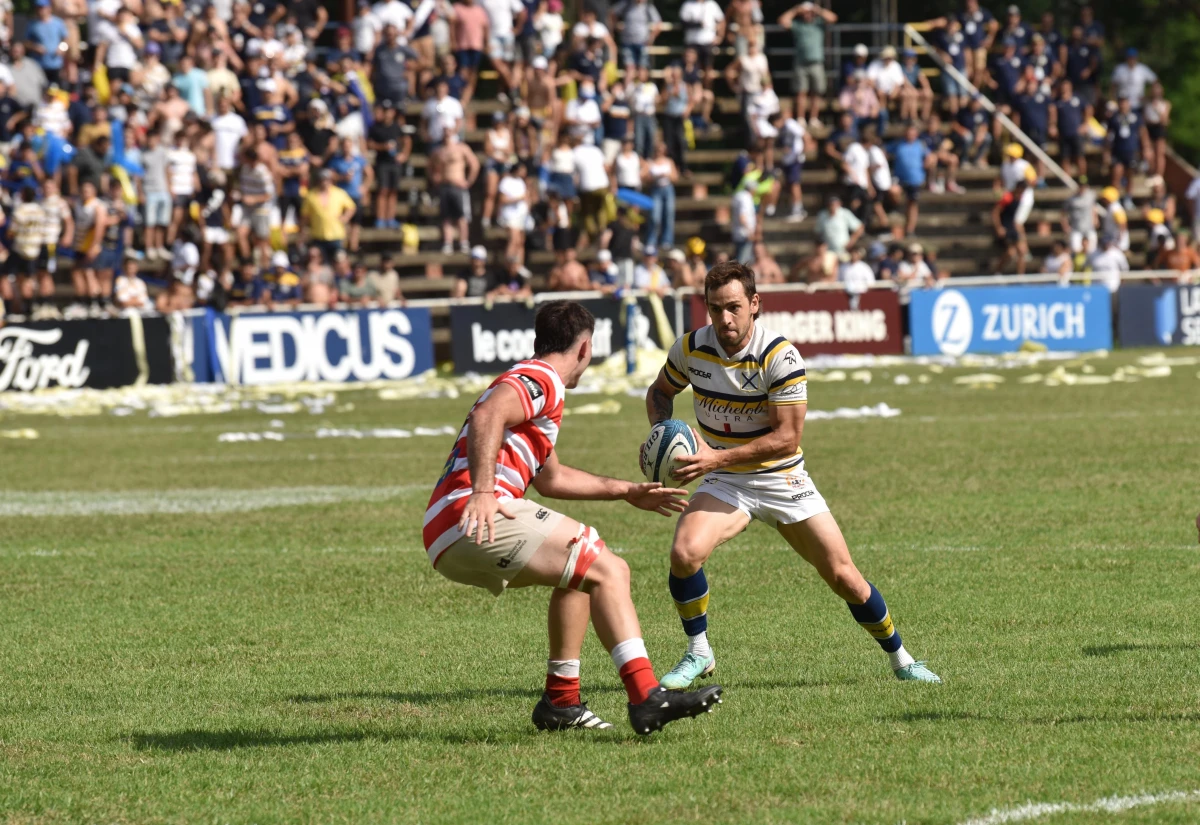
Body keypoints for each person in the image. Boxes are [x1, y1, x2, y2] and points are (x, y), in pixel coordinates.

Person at [427, 301, 723, 732]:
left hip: (447, 531)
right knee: (608, 567)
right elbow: (487, 416)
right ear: (584, 348)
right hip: (470, 515)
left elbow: (552, 478)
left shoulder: (534, 385)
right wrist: (485, 492)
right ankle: (646, 697)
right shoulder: (542, 378)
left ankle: (560, 702)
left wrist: (627, 491)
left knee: (580, 575)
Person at [645, 262, 940, 690]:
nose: (723, 319)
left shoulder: (779, 357)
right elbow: (660, 391)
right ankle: (698, 653)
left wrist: (713, 460)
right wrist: (660, 429)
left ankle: (902, 658)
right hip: (726, 481)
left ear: (754, 304)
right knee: (685, 552)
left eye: (732, 308)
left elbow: (786, 439)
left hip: (782, 479)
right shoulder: (690, 348)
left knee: (845, 578)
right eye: (714, 309)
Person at [777, 2, 836, 128]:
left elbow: (833, 18)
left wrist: (817, 9)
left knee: (817, 92)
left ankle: (814, 118)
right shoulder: (798, 25)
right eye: (806, 12)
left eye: (810, 12)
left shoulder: (819, 24)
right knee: (800, 92)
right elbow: (782, 20)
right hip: (800, 63)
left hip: (817, 63)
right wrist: (796, 9)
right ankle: (800, 118)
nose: (808, 15)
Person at [429, 131, 479, 255]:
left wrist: (468, 181)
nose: (446, 135)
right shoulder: (439, 151)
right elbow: (430, 166)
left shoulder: (461, 148)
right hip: (444, 186)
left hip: (459, 186)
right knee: (446, 217)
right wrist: (435, 178)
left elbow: (474, 164)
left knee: (462, 216)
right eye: (445, 133)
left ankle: (463, 242)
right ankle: (448, 243)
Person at [300, 169, 357, 263]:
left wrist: (345, 217)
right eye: (322, 179)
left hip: (336, 235)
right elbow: (305, 216)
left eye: (327, 179)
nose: (325, 182)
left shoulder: (339, 193)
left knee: (340, 260)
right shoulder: (311, 195)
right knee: (318, 260)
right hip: (318, 236)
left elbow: (351, 207)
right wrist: (303, 232)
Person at [889, 124, 931, 237]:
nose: (910, 135)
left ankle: (910, 230)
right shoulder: (898, 144)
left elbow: (930, 156)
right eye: (908, 132)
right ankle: (896, 209)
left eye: (913, 133)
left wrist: (927, 165)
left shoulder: (920, 145)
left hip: (915, 179)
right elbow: (885, 150)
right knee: (893, 191)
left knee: (913, 204)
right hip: (899, 178)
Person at [644, 141, 677, 250]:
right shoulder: (650, 162)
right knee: (655, 216)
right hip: (655, 189)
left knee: (668, 214)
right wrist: (654, 177)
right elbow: (645, 178)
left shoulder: (669, 161)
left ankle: (667, 240)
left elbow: (675, 177)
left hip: (667, 189)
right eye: (658, 150)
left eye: (662, 150)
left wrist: (667, 175)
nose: (660, 152)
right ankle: (651, 240)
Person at [496, 162, 530, 264]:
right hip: (510, 216)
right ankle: (509, 263)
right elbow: (502, 199)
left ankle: (518, 265)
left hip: (521, 216)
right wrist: (518, 199)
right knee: (513, 240)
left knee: (520, 242)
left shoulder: (521, 182)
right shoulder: (506, 182)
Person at [992, 178, 1028, 275]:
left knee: (1022, 251)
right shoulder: (1008, 197)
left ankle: (1021, 276)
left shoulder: (1019, 198)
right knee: (1010, 253)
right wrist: (998, 227)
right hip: (1005, 227)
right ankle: (998, 271)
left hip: (1012, 227)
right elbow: (996, 212)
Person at [814, 193, 862, 258]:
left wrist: (851, 241)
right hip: (828, 252)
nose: (833, 206)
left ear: (839, 204)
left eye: (834, 204)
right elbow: (817, 232)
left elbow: (860, 227)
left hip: (843, 251)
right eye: (831, 204)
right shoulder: (822, 215)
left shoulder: (845, 213)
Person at [1143, 83, 1171, 178]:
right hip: (1148, 127)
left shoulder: (1165, 103)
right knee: (1149, 152)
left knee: (1159, 153)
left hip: (1159, 128)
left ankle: (1159, 175)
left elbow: (1165, 119)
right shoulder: (1147, 103)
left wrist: (1157, 108)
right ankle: (1151, 171)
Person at [730, 177, 756, 264]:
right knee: (743, 263)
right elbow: (742, 217)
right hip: (744, 234)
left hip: (738, 232)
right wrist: (749, 231)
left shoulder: (739, 196)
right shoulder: (746, 198)